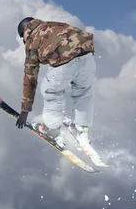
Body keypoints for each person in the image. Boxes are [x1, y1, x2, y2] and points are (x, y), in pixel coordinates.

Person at [15, 16, 97, 148]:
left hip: (66, 58)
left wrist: (25, 110)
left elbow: (30, 77)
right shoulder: (52, 25)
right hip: (87, 54)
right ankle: (81, 129)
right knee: (83, 92)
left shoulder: (32, 39)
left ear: (25, 32)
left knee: (50, 90)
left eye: (22, 38)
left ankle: (52, 130)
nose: (24, 42)